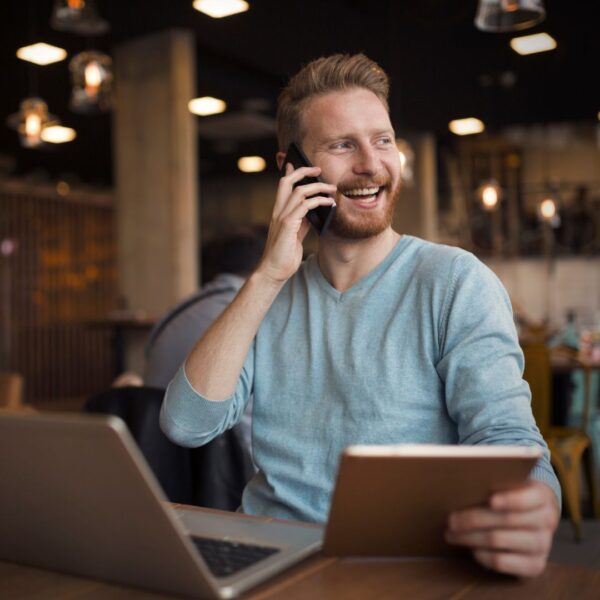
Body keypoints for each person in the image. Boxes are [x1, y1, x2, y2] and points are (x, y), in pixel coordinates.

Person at [161, 53, 560, 578]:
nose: (372, 165)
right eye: (342, 145)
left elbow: (510, 442)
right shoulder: (269, 293)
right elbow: (186, 426)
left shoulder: (455, 281)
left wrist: (535, 504)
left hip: (398, 567)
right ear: (292, 168)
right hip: (271, 562)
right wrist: (266, 277)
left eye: (383, 140)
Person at [146, 227, 266, 453]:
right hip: (221, 467)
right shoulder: (254, 313)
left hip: (157, 459)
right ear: (261, 264)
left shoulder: (175, 312)